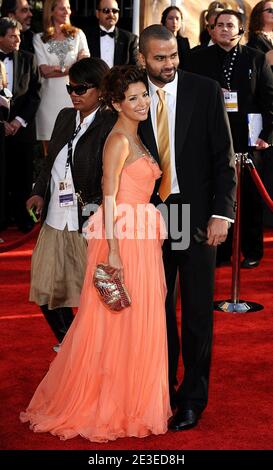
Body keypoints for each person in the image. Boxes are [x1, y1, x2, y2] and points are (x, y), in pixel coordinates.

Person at [20, 65, 171, 442]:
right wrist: (114, 253)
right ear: (116, 103)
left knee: (134, 323)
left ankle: (130, 398)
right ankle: (109, 402)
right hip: (122, 238)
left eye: (143, 96)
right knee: (116, 323)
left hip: (139, 236)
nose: (140, 103)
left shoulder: (135, 135)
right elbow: (108, 195)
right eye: (131, 98)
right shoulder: (119, 139)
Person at [138, 25, 236, 430]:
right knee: (156, 311)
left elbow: (223, 158)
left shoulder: (205, 89)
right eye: (159, 58)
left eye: (173, 55)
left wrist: (222, 214)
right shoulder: (129, 94)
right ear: (142, 58)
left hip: (191, 215)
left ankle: (192, 399)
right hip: (147, 216)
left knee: (197, 310)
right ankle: (161, 389)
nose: (168, 65)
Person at [26, 57, 115, 350]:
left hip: (87, 218)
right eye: (70, 88)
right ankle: (69, 342)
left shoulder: (110, 122)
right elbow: (50, 161)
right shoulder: (65, 116)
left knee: (97, 290)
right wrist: (39, 191)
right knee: (46, 287)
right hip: (54, 216)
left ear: (101, 89)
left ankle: (98, 346)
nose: (74, 94)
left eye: (81, 88)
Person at [187, 9, 273, 268]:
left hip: (248, 138)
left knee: (250, 197)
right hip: (209, 137)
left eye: (230, 25)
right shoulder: (196, 58)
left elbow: (269, 100)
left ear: (241, 30)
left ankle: (253, 251)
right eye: (219, 25)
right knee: (216, 194)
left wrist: (266, 135)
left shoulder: (256, 59)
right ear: (211, 30)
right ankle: (220, 252)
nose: (224, 29)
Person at [0, 17, 40, 232]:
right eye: (12, 35)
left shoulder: (28, 58)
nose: (18, 39)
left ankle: (23, 218)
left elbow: (35, 95)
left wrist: (17, 121)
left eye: (19, 35)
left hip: (22, 129)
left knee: (23, 175)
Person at [33, 0, 90, 154]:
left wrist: (57, 69)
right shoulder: (39, 38)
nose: (67, 12)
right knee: (49, 153)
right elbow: (44, 71)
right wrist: (71, 68)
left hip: (75, 98)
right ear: (51, 11)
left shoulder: (78, 34)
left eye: (69, 8)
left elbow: (84, 64)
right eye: (62, 8)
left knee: (75, 149)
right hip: (48, 101)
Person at [84, 0, 138, 67]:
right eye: (106, 10)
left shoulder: (130, 39)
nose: (111, 14)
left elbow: (134, 69)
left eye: (115, 11)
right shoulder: (85, 37)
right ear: (97, 14)